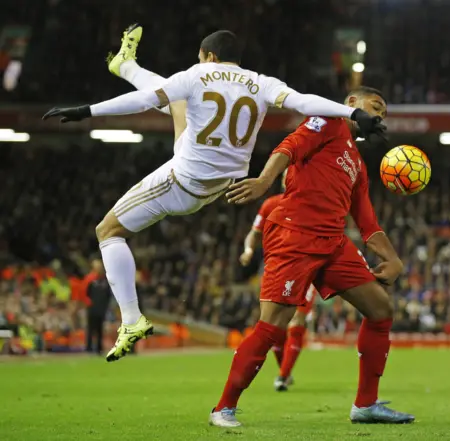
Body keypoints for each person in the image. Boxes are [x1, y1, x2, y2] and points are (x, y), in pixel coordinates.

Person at [42, 25, 386, 363]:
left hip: (183, 181)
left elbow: (145, 100)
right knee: (176, 104)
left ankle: (131, 319)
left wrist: (88, 111)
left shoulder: (196, 75)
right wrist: (352, 113)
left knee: (107, 231)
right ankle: (125, 66)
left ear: (209, 56)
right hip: (223, 182)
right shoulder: (260, 83)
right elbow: (304, 101)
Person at [210, 86, 414, 427]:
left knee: (381, 309)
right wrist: (263, 181)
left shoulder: (358, 166)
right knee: (273, 326)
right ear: (352, 104)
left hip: (333, 243)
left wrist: (393, 259)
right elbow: (289, 147)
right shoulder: (328, 121)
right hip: (295, 235)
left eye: (383, 114)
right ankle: (224, 408)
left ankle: (366, 404)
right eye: (375, 107)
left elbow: (367, 222)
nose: (379, 116)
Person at [239, 171, 317, 391]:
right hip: (277, 269)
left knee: (297, 322)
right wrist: (248, 250)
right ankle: (284, 370)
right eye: (287, 175)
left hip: (306, 269)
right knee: (274, 326)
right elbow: (253, 234)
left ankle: (283, 376)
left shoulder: (312, 206)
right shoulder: (270, 205)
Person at [85, 259, 111, 354]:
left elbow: (108, 295)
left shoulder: (105, 281)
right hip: (92, 308)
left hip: (101, 309)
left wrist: (106, 306)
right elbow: (85, 293)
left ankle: (99, 349)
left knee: (100, 329)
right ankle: (88, 348)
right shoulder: (90, 279)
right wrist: (88, 303)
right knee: (91, 329)